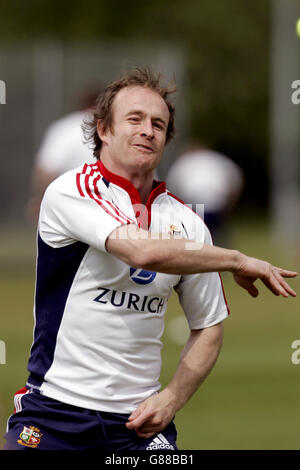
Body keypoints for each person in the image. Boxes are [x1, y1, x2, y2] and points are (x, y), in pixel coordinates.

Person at [4, 67, 297, 451]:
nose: (148, 130)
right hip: (55, 415)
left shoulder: (188, 224)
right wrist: (236, 259)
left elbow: (208, 325)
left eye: (158, 124)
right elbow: (141, 250)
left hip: (137, 428)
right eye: (135, 119)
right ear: (104, 130)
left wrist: (172, 399)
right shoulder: (72, 191)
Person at [26, 88, 100, 221]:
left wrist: (39, 199)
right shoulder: (112, 129)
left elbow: (46, 170)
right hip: (107, 204)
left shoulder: (65, 127)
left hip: (69, 206)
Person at [166, 144, 244, 246]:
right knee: (216, 237)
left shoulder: (185, 161)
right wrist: (229, 204)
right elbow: (235, 179)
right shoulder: (217, 159)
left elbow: (172, 185)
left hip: (195, 204)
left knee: (195, 240)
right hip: (217, 204)